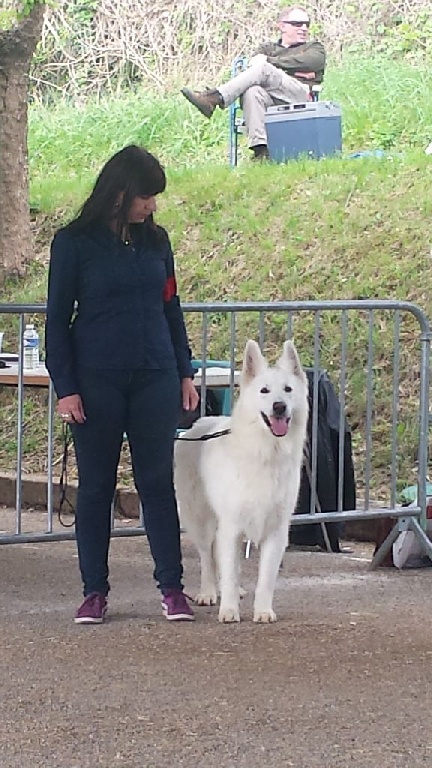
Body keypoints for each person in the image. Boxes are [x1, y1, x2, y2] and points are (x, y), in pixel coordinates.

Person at [45, 145, 199, 625]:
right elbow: (56, 321)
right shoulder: (72, 243)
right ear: (119, 192)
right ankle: (95, 590)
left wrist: (184, 371)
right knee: (96, 486)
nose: (151, 205)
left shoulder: (158, 242)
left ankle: (172, 588)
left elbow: (170, 307)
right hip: (96, 378)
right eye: (145, 196)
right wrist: (66, 386)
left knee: (156, 483)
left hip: (153, 373)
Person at [181, 6, 326, 160]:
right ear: (282, 26)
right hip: (270, 99)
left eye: (306, 24)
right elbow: (252, 68)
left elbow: (312, 62)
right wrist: (290, 69)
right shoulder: (267, 48)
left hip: (299, 96)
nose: (304, 28)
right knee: (252, 90)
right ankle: (261, 151)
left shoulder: (313, 47)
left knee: (262, 68)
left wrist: (271, 63)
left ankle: (214, 98)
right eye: (297, 24)